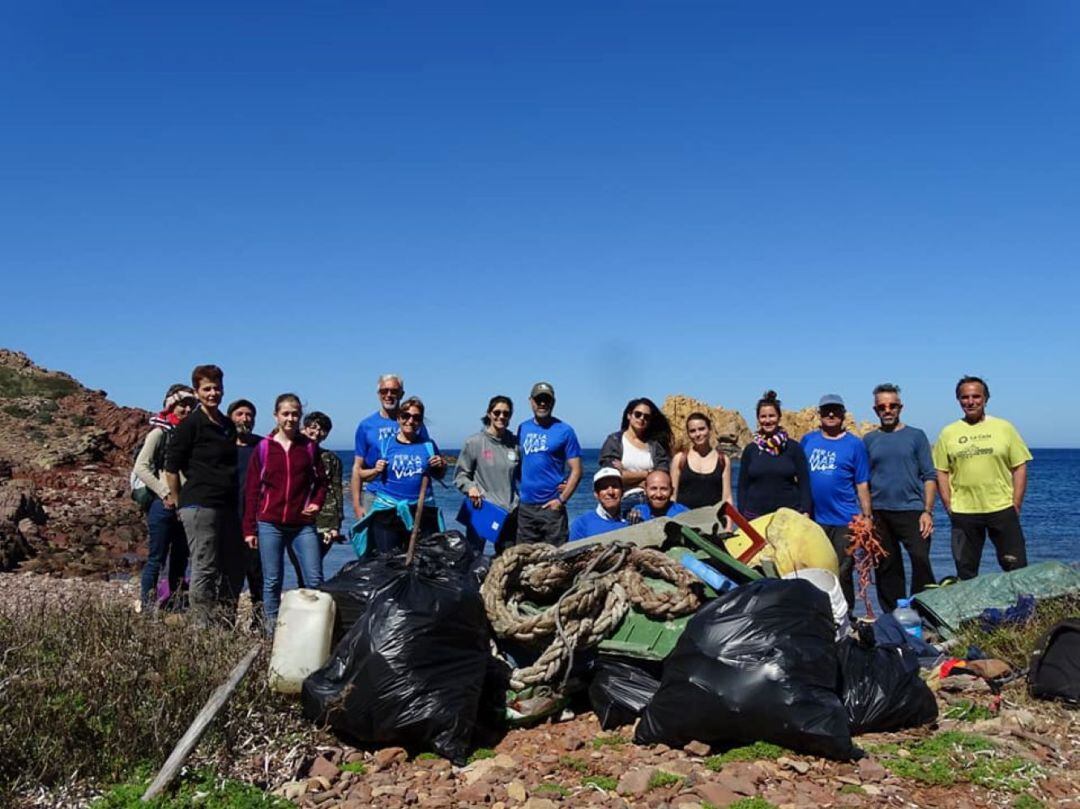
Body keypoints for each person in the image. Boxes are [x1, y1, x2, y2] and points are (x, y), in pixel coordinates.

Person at [164, 365, 244, 627]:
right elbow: (171, 467)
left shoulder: (227, 425)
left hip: (227, 505)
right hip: (199, 503)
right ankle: (201, 626)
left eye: (217, 388)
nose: (213, 393)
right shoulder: (190, 425)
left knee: (232, 566)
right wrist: (177, 501)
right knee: (205, 566)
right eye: (207, 389)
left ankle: (223, 623)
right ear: (197, 392)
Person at [933, 376, 1032, 580]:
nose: (970, 401)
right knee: (966, 572)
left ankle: (1022, 610)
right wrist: (948, 504)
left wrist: (1016, 503)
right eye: (965, 397)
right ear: (959, 400)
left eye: (976, 396)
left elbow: (1019, 466)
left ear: (986, 398)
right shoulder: (948, 432)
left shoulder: (1004, 428)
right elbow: (941, 471)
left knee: (1016, 568)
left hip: (1002, 509)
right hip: (963, 512)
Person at [243, 394, 328, 631]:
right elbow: (252, 491)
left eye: (295, 414)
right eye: (286, 413)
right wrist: (249, 529)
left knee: (315, 580)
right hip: (270, 523)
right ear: (276, 415)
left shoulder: (309, 447)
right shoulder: (263, 448)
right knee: (272, 581)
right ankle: (271, 634)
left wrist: (317, 504)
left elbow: (322, 482)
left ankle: (314, 631)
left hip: (302, 524)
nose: (290, 418)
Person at [863, 383, 938, 612]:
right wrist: (866, 515)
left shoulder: (916, 436)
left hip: (913, 511)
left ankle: (923, 611)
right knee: (886, 567)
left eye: (892, 406)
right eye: (882, 406)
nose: (888, 410)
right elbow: (862, 480)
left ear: (900, 408)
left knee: (920, 560)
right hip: (880, 512)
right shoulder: (868, 440)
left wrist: (927, 511)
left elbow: (929, 475)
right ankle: (893, 614)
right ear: (876, 410)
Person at [800, 394, 872, 611]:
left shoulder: (854, 445)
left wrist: (867, 517)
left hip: (845, 520)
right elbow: (797, 477)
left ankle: (846, 614)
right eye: (826, 410)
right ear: (819, 415)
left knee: (842, 570)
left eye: (835, 410)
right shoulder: (808, 441)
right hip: (814, 519)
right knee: (815, 569)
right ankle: (821, 614)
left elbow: (862, 484)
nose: (830, 414)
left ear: (842, 414)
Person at [352, 396, 445, 555]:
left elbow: (440, 475)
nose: (410, 421)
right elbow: (362, 474)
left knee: (425, 561)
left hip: (422, 512)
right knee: (388, 562)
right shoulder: (385, 445)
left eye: (416, 417)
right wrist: (375, 470)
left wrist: (442, 465)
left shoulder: (428, 445)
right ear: (399, 418)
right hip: (388, 513)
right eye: (406, 416)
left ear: (421, 421)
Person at [132, 383, 195, 611]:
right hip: (164, 505)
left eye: (191, 406)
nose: (187, 410)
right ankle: (149, 608)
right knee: (156, 559)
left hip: (185, 505)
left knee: (180, 559)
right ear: (171, 406)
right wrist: (165, 492)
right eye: (182, 406)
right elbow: (141, 467)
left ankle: (174, 606)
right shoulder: (159, 433)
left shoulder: (189, 434)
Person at [350, 374, 429, 521]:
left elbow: (425, 455)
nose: (389, 395)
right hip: (376, 496)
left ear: (401, 394)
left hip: (409, 499)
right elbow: (357, 467)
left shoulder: (414, 423)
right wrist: (356, 505)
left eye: (394, 391)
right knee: (376, 543)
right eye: (384, 391)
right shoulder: (366, 426)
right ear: (378, 394)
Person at [516, 382, 583, 546]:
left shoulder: (565, 431)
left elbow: (577, 470)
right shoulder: (522, 428)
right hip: (526, 508)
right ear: (531, 401)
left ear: (553, 402)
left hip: (552, 509)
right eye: (539, 399)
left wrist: (562, 499)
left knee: (555, 561)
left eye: (547, 399)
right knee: (525, 560)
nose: (542, 404)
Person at [454, 395, 520, 552]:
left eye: (506, 413)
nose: (501, 417)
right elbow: (460, 475)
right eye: (497, 412)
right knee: (474, 558)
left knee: (508, 562)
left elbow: (527, 474)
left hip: (510, 512)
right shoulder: (475, 442)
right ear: (489, 414)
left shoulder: (515, 443)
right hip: (482, 510)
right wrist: (470, 488)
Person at [737, 392, 812, 519]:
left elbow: (804, 483)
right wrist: (742, 511)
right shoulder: (751, 449)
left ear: (779, 417)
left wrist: (805, 510)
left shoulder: (793, 447)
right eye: (763, 416)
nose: (767, 420)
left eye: (771, 416)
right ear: (758, 419)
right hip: (755, 517)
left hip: (789, 516)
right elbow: (742, 486)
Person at [599, 398, 672, 513]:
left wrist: (626, 474)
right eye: (638, 414)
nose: (642, 418)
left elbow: (662, 477)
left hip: (652, 500)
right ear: (629, 415)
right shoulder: (615, 441)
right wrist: (648, 474)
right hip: (625, 500)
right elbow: (612, 478)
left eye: (646, 417)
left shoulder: (655, 446)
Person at [227, 398, 263, 621]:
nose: (245, 419)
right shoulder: (222, 446)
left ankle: (259, 622)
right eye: (239, 414)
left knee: (258, 572)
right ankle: (227, 619)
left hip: (256, 519)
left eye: (249, 415)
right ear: (231, 417)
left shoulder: (262, 446)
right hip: (229, 518)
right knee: (231, 574)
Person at [672, 412, 734, 528]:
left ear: (709, 430)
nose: (698, 434)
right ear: (688, 434)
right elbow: (672, 496)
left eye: (702, 429)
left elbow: (727, 497)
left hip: (714, 524)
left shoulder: (723, 460)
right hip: (685, 524)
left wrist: (729, 527)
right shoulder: (680, 459)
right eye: (693, 431)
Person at [302, 411, 344, 555]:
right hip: (295, 517)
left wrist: (336, 525)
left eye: (323, 430)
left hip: (324, 520)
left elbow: (336, 491)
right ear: (305, 428)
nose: (317, 432)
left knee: (314, 563)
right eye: (313, 427)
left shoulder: (330, 458)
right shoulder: (292, 453)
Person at [569, 468, 630, 541]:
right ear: (596, 494)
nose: (610, 492)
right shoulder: (581, 524)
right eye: (604, 488)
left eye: (615, 486)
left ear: (622, 491)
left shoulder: (633, 517)